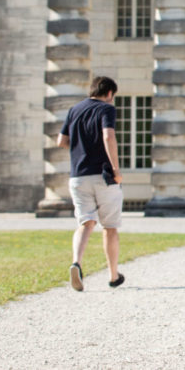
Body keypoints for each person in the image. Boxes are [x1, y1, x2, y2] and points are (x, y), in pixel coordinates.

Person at [58, 75, 125, 291]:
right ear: (108, 93)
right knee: (110, 227)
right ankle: (113, 275)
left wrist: (82, 149)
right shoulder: (106, 109)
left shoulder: (74, 110)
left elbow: (62, 141)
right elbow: (108, 137)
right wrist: (115, 169)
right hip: (103, 175)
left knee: (85, 222)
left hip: (77, 176)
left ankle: (76, 262)